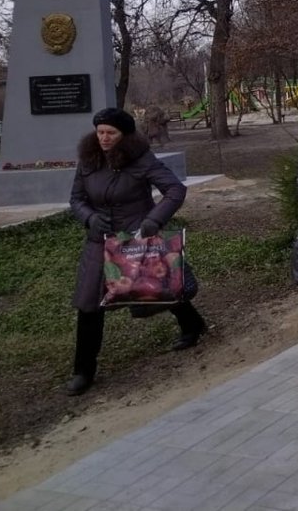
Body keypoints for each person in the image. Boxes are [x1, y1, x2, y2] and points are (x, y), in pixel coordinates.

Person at [66, 108, 205, 396]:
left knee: (155, 288)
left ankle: (192, 325)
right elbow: (76, 198)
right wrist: (90, 219)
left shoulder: (141, 159)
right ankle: (83, 370)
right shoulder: (88, 159)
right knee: (89, 304)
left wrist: (153, 220)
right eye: (100, 131)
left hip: (135, 240)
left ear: (124, 135)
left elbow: (175, 190)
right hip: (99, 240)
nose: (104, 138)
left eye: (111, 133)